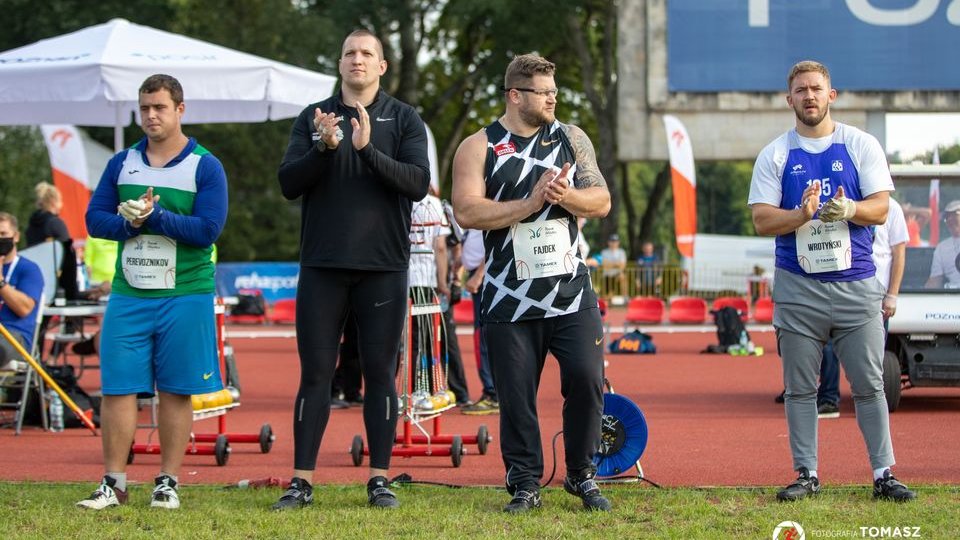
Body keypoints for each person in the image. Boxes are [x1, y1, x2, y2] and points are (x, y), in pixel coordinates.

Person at [274, 29, 430, 510]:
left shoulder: (404, 118)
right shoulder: (313, 117)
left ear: (381, 65)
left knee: (381, 374)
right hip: (322, 265)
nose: (356, 60)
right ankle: (301, 482)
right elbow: (288, 184)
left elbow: (418, 184)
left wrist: (366, 149)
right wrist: (323, 148)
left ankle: (379, 479)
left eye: (366, 54)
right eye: (349, 53)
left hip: (382, 266)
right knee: (316, 373)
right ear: (339, 64)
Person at [452, 53, 612, 512]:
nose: (553, 99)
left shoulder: (571, 138)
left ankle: (582, 475)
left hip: (570, 291)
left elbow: (600, 200)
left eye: (554, 91)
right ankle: (524, 482)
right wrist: (529, 202)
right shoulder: (478, 145)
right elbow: (466, 210)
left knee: (586, 380)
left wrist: (568, 196)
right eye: (544, 93)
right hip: (507, 296)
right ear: (515, 95)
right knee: (516, 396)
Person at [749, 60, 915, 502]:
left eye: (816, 89)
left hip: (857, 286)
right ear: (790, 100)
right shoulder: (776, 154)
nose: (809, 96)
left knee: (870, 385)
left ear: (831, 94)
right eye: (800, 90)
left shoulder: (860, 145)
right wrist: (799, 215)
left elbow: (882, 209)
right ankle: (806, 474)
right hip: (798, 288)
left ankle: (883, 473)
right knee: (801, 389)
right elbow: (762, 220)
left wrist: (851, 209)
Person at [76, 74, 228, 510]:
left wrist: (153, 217)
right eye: (144, 108)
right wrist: (127, 224)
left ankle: (168, 481)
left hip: (187, 292)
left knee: (177, 390)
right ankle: (114, 482)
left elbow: (208, 230)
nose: (150, 116)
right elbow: (94, 220)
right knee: (118, 388)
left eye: (159, 107)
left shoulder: (205, 165)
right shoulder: (122, 162)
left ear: (180, 109)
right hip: (130, 292)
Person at [816, 197, 909, 419]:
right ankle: (828, 399)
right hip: (841, 286)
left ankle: (870, 401)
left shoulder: (892, 207)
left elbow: (899, 253)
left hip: (875, 294)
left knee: (872, 354)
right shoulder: (842, 201)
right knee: (828, 345)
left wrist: (892, 295)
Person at [459, 227, 499, 415]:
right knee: (482, 334)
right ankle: (492, 392)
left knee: (483, 336)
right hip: (479, 272)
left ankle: (493, 394)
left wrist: (479, 275)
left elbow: (494, 241)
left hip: (485, 274)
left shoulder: (485, 204)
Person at [0, 213, 44, 369]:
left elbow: (24, 309)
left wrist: (1, 283)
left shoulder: (29, 269)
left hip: (15, 337)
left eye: (3, 234)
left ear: (16, 236)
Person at [25, 182, 79, 303]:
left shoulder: (31, 225)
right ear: (55, 201)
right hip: (56, 283)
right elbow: (68, 256)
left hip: (35, 278)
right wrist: (72, 293)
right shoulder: (56, 223)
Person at [925, 199, 960, 289]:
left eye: (954, 215)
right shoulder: (942, 248)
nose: (950, 220)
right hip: (953, 295)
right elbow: (935, 280)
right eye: (947, 217)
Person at [599, 234, 627, 299]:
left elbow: (623, 265)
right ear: (608, 242)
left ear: (618, 242)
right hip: (607, 276)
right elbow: (604, 264)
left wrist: (610, 264)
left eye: (615, 241)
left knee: (622, 277)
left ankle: (625, 298)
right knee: (607, 296)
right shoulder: (604, 252)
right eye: (612, 241)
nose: (613, 243)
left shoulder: (621, 252)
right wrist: (616, 264)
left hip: (617, 275)